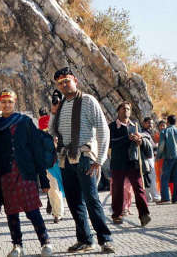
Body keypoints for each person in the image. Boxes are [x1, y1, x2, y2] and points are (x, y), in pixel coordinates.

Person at [51, 67, 114, 254]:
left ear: (75, 80)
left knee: (91, 199)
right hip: (65, 159)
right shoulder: (60, 106)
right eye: (60, 83)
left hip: (85, 157)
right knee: (73, 201)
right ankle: (85, 239)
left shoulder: (88, 100)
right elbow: (52, 132)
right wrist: (53, 112)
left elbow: (103, 130)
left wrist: (100, 159)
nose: (64, 85)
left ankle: (105, 239)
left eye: (67, 81)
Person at [0, 88, 53, 257]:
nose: (7, 104)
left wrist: (43, 179)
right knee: (12, 213)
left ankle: (45, 242)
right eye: (3, 101)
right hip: (6, 174)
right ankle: (17, 246)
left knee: (32, 211)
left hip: (25, 173)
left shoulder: (25, 121)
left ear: (14, 102)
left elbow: (36, 150)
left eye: (10, 101)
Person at [109, 101, 151, 227]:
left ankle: (144, 214)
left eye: (128, 109)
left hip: (133, 162)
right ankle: (117, 215)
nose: (126, 111)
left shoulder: (135, 126)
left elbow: (146, 143)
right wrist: (126, 138)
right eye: (123, 109)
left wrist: (140, 141)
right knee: (117, 189)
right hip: (118, 162)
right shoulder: (111, 126)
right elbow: (111, 143)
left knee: (139, 189)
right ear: (118, 111)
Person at [44, 90, 65, 223]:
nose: (56, 104)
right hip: (51, 160)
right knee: (53, 188)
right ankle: (57, 213)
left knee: (62, 187)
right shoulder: (47, 120)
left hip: (65, 157)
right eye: (54, 102)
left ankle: (56, 208)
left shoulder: (69, 117)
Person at [157, 114, 177, 204]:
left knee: (164, 178)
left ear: (168, 122)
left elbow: (161, 146)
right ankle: (176, 198)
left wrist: (158, 156)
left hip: (168, 157)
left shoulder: (164, 132)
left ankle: (165, 198)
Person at [141, 117, 161, 202]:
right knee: (151, 177)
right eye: (148, 123)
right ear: (144, 123)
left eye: (152, 123)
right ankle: (155, 196)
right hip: (147, 158)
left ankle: (148, 197)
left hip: (150, 157)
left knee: (148, 178)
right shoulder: (143, 133)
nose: (150, 125)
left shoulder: (150, 133)